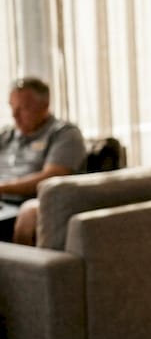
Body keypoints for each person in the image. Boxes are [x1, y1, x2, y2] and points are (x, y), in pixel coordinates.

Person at [0, 77, 87, 243]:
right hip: (3, 203)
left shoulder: (64, 134)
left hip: (32, 204)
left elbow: (51, 177)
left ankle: (23, 268)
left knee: (28, 212)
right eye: (12, 107)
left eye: (23, 108)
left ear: (44, 106)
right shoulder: (7, 135)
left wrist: (3, 188)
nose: (14, 116)